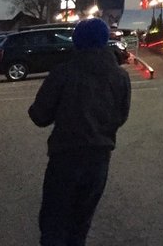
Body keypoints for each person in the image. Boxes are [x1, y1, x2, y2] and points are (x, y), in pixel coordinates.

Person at [28, 17, 132, 246]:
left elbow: (40, 116)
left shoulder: (64, 73)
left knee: (54, 223)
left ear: (77, 41)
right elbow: (121, 115)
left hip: (65, 157)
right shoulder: (120, 77)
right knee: (80, 225)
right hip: (99, 159)